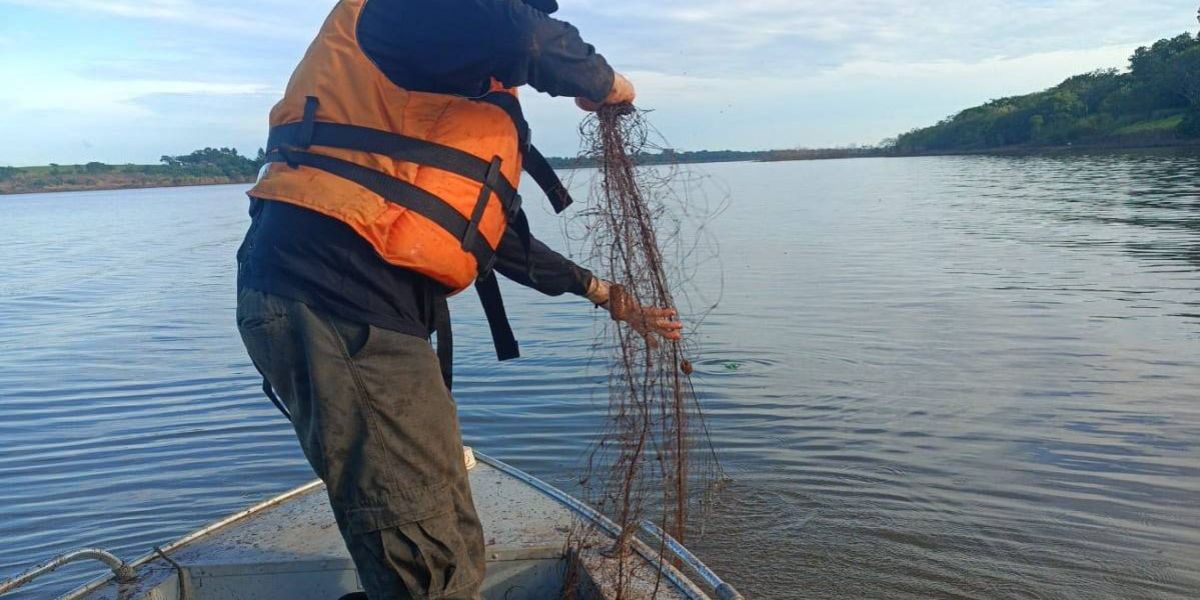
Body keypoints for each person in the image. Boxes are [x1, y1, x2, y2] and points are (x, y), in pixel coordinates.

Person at [234, 1, 681, 598]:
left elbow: (496, 239)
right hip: (332, 299)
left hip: (367, 315)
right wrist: (606, 83)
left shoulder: (450, 76)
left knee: (449, 543)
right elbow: (528, 40)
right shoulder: (404, 13)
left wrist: (607, 295)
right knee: (427, 564)